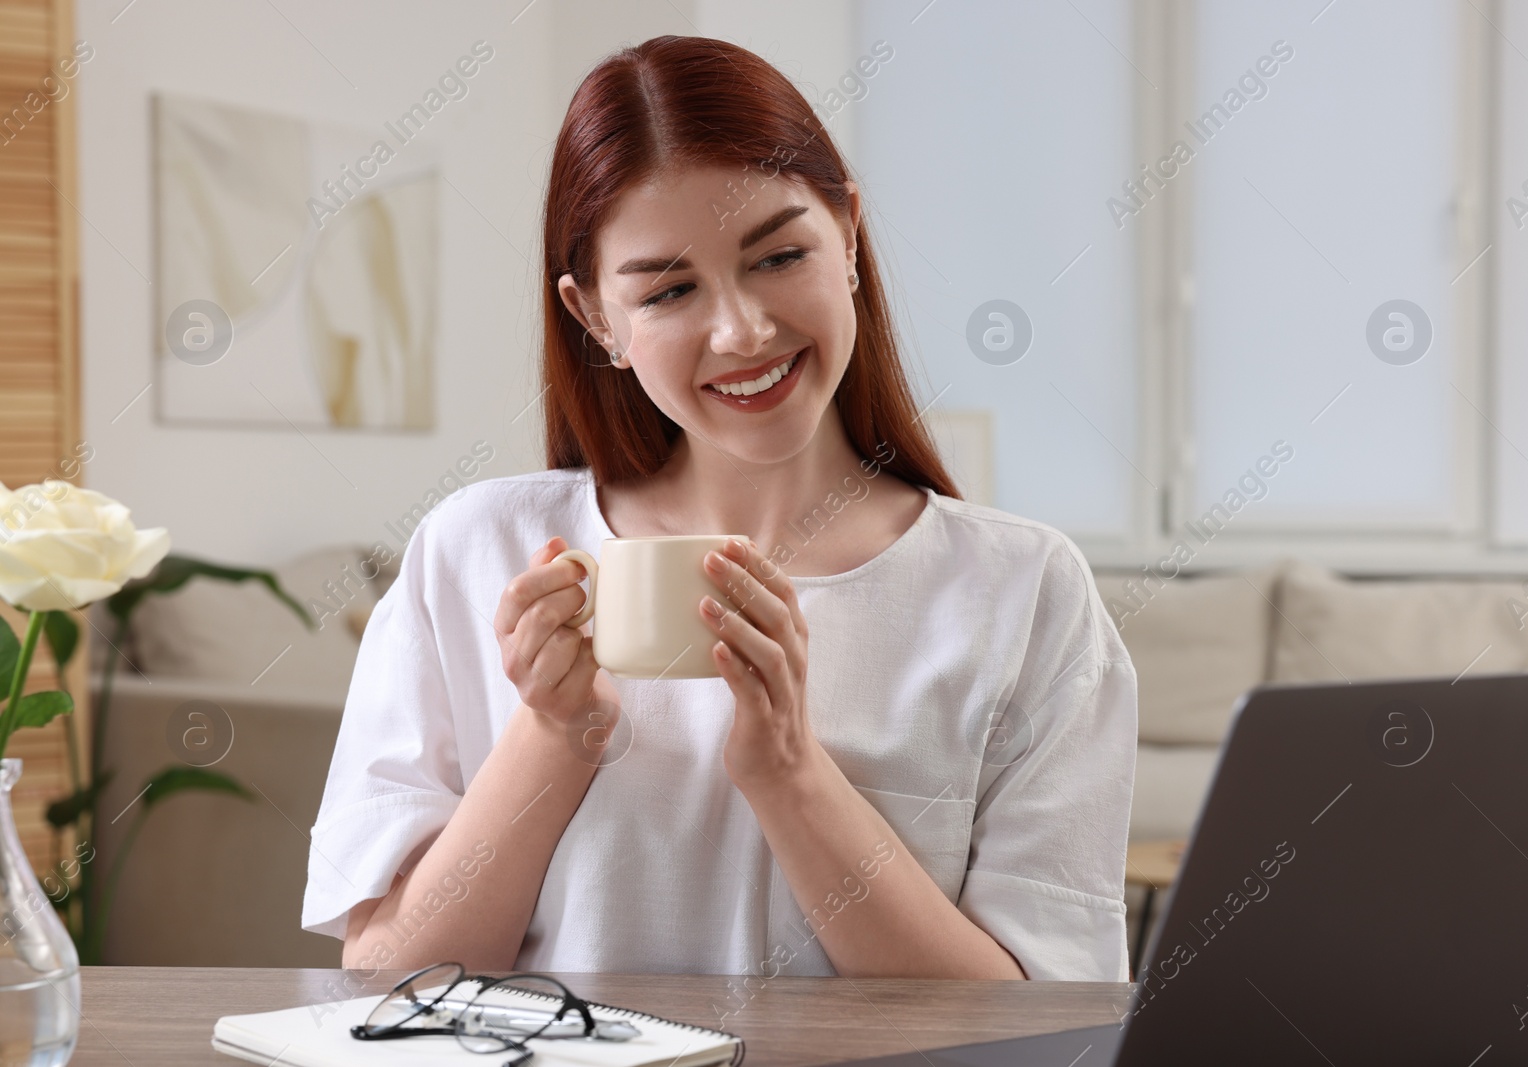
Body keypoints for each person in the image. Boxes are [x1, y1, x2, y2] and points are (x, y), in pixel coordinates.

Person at [303, 34, 1138, 989]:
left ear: (851, 238)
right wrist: (551, 736)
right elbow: (386, 972)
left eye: (779, 254)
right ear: (596, 321)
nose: (742, 331)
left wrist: (789, 772)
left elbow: (1039, 1020)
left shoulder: (1021, 591)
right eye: (667, 290)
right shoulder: (473, 551)